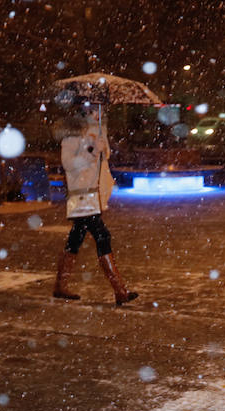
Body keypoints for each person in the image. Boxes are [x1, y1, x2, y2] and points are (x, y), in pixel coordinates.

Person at [52, 102, 138, 306]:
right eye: (92, 110)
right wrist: (90, 152)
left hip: (92, 195)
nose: (97, 114)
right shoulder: (73, 134)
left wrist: (101, 146)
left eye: (99, 110)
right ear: (83, 112)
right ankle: (120, 291)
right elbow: (68, 164)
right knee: (102, 235)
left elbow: (102, 161)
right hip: (82, 195)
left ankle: (60, 286)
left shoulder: (98, 132)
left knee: (76, 238)